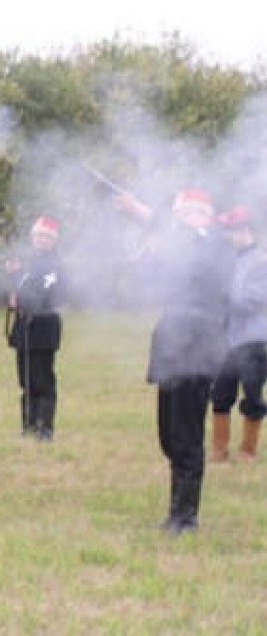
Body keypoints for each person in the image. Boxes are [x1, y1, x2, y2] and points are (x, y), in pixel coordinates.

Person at [116, 188, 235, 536]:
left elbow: (197, 261)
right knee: (169, 434)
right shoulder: (176, 245)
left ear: (202, 213)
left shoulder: (216, 243)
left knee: (187, 434)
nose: (179, 219)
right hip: (172, 341)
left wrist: (145, 214)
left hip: (197, 343)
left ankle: (187, 517)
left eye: (183, 212)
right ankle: (175, 511)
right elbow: (150, 284)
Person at [210, 205, 266, 463]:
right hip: (227, 339)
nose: (227, 236)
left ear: (244, 231)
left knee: (252, 395)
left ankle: (248, 450)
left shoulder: (262, 262)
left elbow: (252, 301)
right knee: (220, 394)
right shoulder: (230, 260)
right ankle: (219, 450)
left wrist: (223, 292)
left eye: (230, 231)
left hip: (254, 340)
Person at [6, 215, 65, 441]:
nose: (40, 240)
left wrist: (20, 290)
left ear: (53, 240)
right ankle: (28, 424)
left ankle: (46, 427)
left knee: (43, 377)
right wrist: (13, 278)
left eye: (45, 237)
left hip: (44, 324)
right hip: (25, 324)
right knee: (26, 378)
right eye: (37, 236)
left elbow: (44, 294)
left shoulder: (55, 266)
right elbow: (18, 291)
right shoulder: (26, 263)